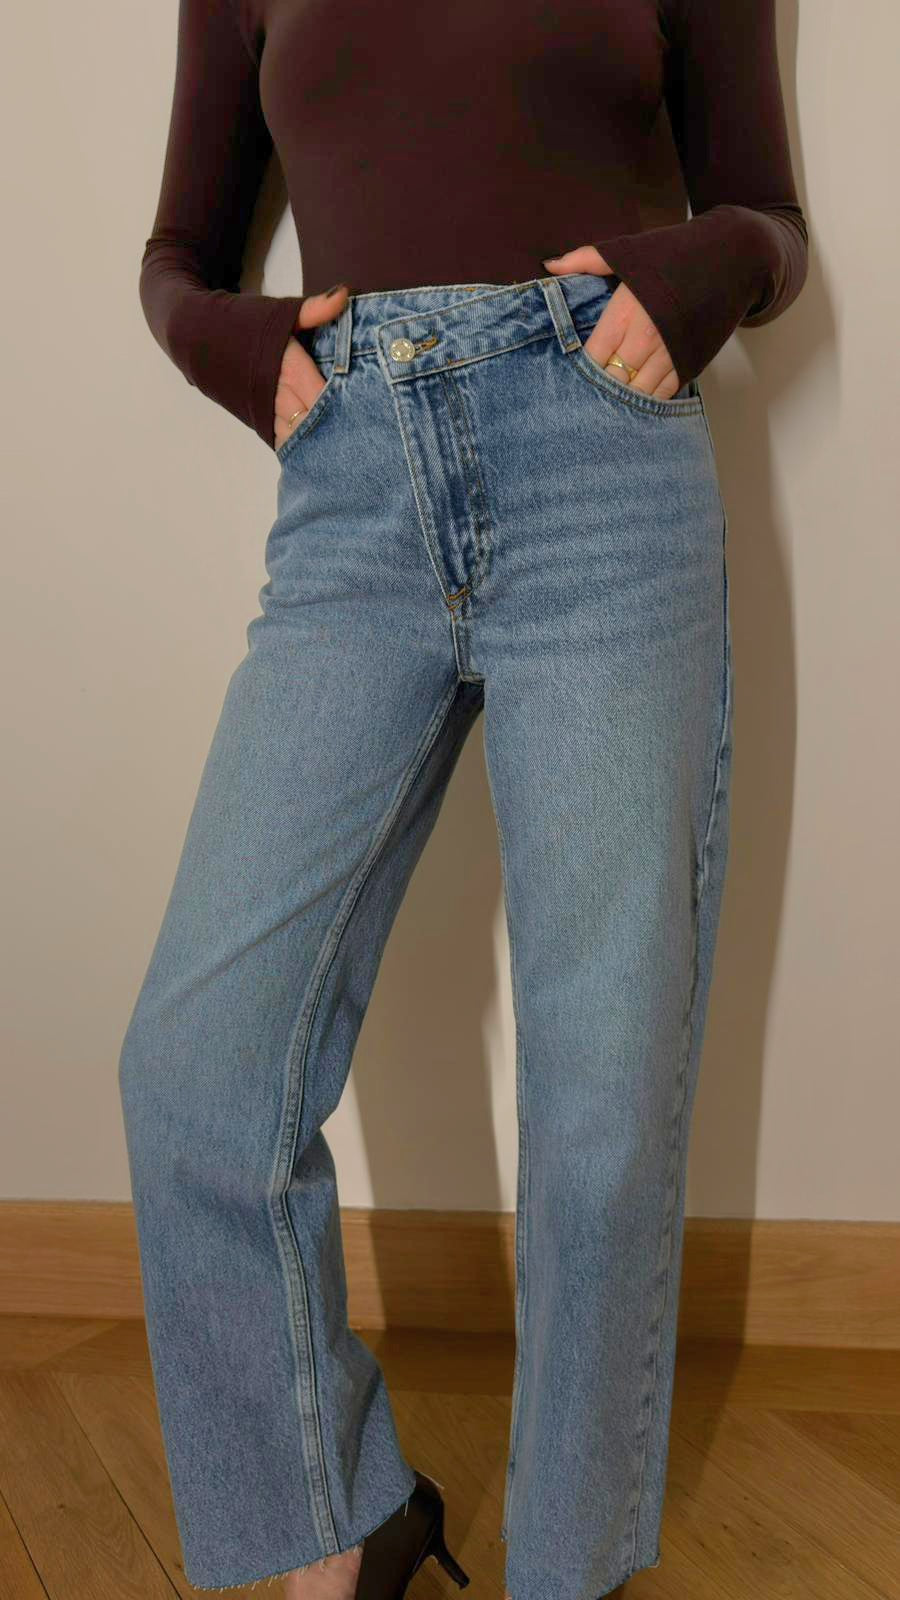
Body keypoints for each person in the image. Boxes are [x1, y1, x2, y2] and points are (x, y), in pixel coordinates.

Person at [119, 0, 809, 1596]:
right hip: (352, 492)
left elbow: (771, 217)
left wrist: (700, 273)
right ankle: (339, 1535)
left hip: (604, 476)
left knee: (601, 1100)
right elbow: (177, 251)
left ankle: (573, 1568)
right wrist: (228, 343)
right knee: (196, 1068)